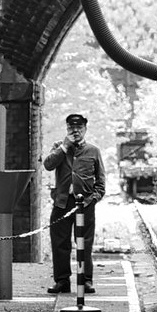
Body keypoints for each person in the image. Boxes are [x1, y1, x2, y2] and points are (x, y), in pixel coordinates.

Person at [42, 111, 105, 293]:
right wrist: (64, 147)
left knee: (84, 242)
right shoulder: (59, 147)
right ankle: (62, 281)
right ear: (67, 129)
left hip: (84, 204)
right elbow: (48, 165)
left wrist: (94, 198)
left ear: (85, 129)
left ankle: (86, 280)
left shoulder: (93, 151)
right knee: (60, 243)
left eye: (79, 128)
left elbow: (100, 180)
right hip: (62, 203)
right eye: (71, 128)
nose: (75, 131)